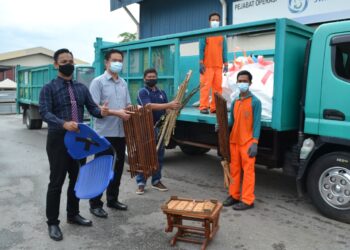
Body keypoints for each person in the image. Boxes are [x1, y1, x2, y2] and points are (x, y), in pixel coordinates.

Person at [39, 48, 108, 241]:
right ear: (56, 65)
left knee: (77, 179)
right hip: (58, 140)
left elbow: (92, 108)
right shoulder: (49, 88)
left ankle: (73, 214)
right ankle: (52, 222)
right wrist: (63, 123)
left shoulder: (81, 88)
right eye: (63, 61)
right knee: (56, 182)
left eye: (70, 60)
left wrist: (102, 111)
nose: (68, 64)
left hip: (79, 141)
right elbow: (45, 112)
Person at [88, 49, 132, 218]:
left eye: (120, 60)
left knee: (118, 168)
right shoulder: (98, 82)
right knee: (101, 168)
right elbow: (95, 107)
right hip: (104, 133)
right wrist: (116, 112)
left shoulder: (123, 83)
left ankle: (112, 199)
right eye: (114, 60)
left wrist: (130, 110)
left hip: (120, 132)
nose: (118, 63)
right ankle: (95, 204)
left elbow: (127, 104)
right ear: (106, 62)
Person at [135, 68, 181, 195]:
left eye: (153, 76)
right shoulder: (142, 92)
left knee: (159, 156)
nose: (151, 78)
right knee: (146, 155)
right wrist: (168, 105)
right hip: (146, 127)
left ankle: (156, 181)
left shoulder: (162, 92)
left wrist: (173, 110)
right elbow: (148, 107)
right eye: (149, 77)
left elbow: (167, 109)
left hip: (160, 128)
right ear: (144, 79)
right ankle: (141, 182)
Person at [222, 70, 261, 210]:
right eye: (240, 81)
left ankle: (248, 200)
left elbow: (257, 124)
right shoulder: (235, 101)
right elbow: (231, 121)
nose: (242, 83)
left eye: (245, 81)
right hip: (234, 142)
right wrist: (221, 125)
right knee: (235, 170)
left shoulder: (255, 102)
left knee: (248, 172)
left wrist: (255, 143)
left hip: (247, 143)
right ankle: (234, 195)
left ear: (250, 83)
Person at [199, 12, 228, 114]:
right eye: (213, 20)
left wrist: (226, 63)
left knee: (217, 88)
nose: (215, 21)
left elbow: (224, 50)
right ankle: (203, 106)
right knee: (205, 87)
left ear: (219, 21)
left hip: (218, 66)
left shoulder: (222, 36)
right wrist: (200, 62)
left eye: (217, 20)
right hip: (207, 66)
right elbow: (201, 49)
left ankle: (214, 107)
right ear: (209, 21)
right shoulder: (205, 34)